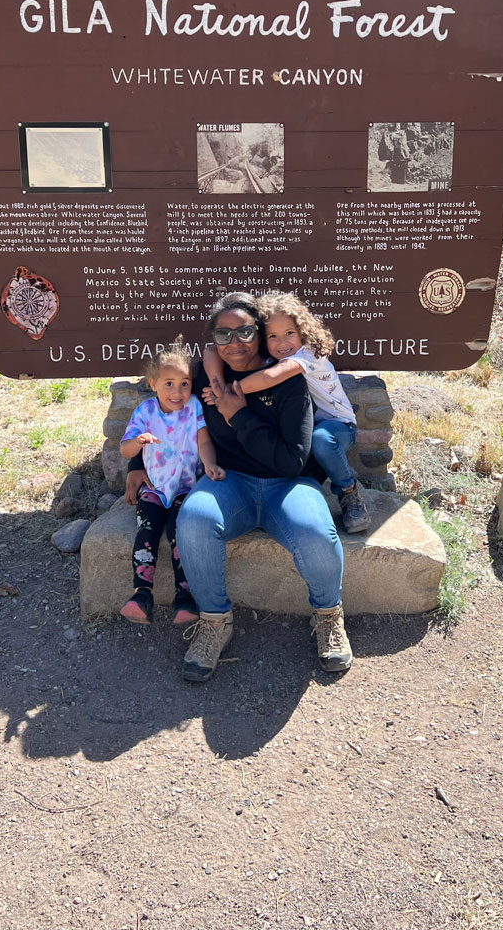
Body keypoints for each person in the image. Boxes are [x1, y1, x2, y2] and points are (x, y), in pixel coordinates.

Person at [125, 292, 352, 683]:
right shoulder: (199, 377)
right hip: (230, 484)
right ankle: (214, 621)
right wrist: (134, 464)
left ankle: (329, 615)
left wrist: (238, 414)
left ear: (260, 334)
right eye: (223, 334)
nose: (235, 343)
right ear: (212, 339)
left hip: (289, 484)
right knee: (193, 521)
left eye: (245, 331)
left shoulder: (287, 379)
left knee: (316, 532)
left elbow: (292, 460)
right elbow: (164, 412)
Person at [203, 291, 370, 533]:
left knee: (321, 440)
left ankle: (348, 491)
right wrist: (216, 380)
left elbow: (270, 377)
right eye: (273, 336)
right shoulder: (275, 356)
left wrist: (226, 392)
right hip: (312, 427)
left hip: (338, 425)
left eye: (289, 333)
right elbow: (210, 350)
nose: (282, 343)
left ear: (304, 331)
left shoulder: (306, 354)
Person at [119, 340, 224, 627]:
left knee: (180, 534)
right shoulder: (145, 412)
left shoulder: (194, 408)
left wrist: (211, 463)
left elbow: (203, 440)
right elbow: (125, 448)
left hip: (186, 488)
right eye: (168, 383)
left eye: (184, 383)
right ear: (153, 384)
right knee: (147, 531)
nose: (177, 392)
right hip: (153, 489)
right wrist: (137, 443)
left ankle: (184, 597)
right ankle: (141, 594)